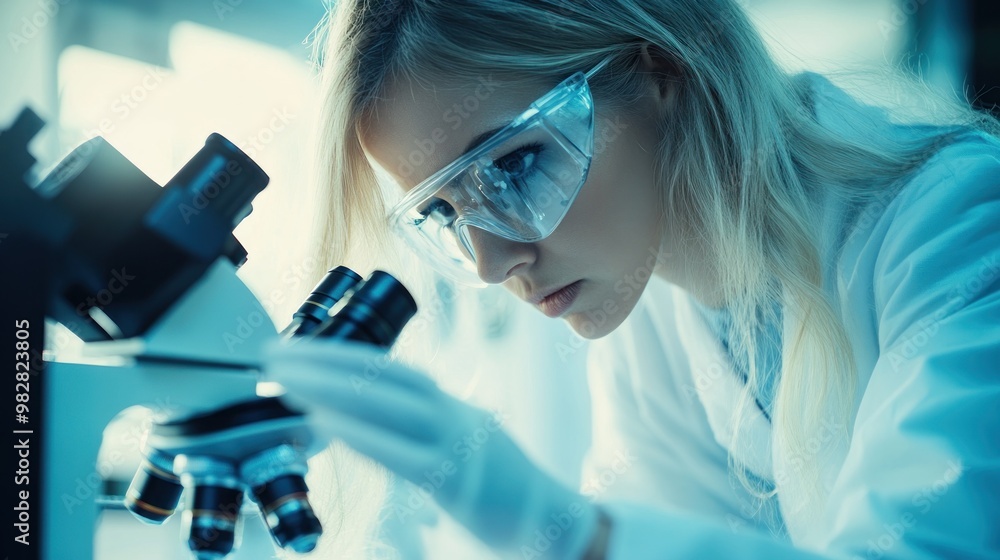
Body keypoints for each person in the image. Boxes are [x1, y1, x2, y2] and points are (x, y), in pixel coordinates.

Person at [263, 0, 1000, 558]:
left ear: (661, 71)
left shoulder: (960, 224)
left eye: (513, 165)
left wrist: (564, 531)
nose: (492, 263)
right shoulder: (651, 304)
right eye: (446, 212)